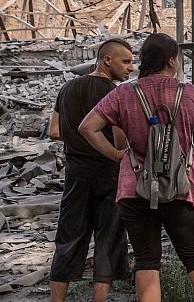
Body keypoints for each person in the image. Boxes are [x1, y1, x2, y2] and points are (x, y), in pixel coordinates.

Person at [79, 33, 194, 302]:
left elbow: (87, 127)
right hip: (181, 188)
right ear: (171, 60)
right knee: (193, 256)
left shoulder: (124, 92)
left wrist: (117, 155)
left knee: (146, 260)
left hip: (135, 189)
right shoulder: (188, 93)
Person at [48, 38, 135, 302]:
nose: (131, 68)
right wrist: (117, 154)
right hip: (109, 176)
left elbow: (53, 131)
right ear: (106, 60)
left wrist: (79, 141)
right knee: (108, 242)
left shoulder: (67, 88)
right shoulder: (116, 93)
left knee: (68, 240)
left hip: (76, 176)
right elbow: (120, 141)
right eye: (126, 61)